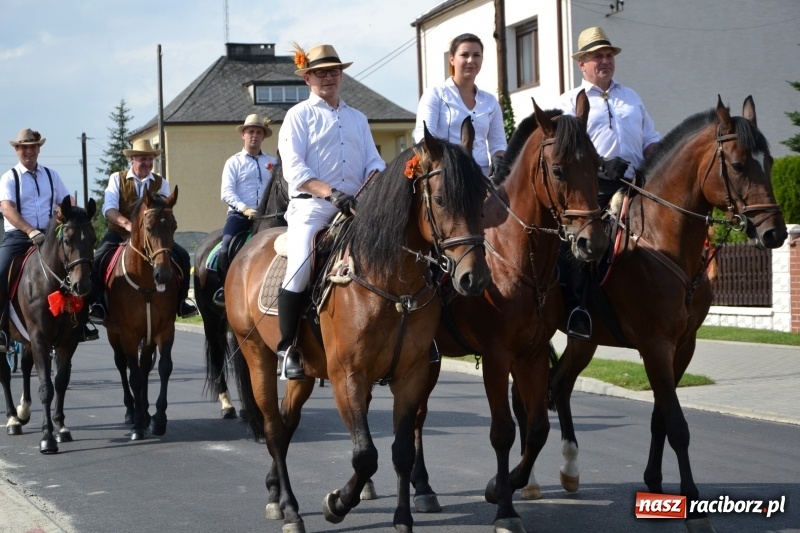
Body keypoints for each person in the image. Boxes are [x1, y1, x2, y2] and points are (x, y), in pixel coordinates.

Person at [276, 43, 385, 379]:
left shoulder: (358, 118)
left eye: (334, 71)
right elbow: (293, 169)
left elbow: (374, 161)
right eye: (320, 72)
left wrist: (373, 182)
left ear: (341, 75)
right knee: (302, 265)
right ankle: (289, 347)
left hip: (356, 207)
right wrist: (331, 194)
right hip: (313, 210)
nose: (328, 77)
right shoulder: (298, 116)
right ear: (307, 77)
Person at [557, 26, 661, 340]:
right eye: (597, 56)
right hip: (594, 188)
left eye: (608, 55)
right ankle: (576, 309)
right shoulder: (568, 102)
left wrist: (659, 160)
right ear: (582, 64)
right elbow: (567, 151)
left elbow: (651, 139)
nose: (605, 61)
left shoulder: (631, 96)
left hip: (638, 184)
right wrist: (601, 165)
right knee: (578, 244)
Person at [0, 128, 96, 352]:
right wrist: (30, 231)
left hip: (51, 236)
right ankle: (2, 329)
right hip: (19, 236)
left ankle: (82, 323)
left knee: (83, 266)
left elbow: (68, 201)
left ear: (38, 149)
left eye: (33, 147)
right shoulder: (9, 177)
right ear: (17, 150)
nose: (29, 151)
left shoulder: (52, 175)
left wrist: (67, 215)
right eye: (24, 147)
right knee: (0, 271)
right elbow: (7, 209)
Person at [89, 139, 197, 322]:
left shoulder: (161, 182)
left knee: (183, 257)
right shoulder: (117, 178)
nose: (147, 163)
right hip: (120, 232)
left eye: (150, 159)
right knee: (98, 258)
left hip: (153, 235)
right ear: (132, 160)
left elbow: (164, 210)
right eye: (142, 159)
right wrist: (126, 224)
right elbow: (109, 209)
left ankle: (181, 302)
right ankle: (98, 303)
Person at [413, 33, 507, 178]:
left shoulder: (491, 102)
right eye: (464, 55)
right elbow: (424, 137)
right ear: (452, 59)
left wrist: (498, 158)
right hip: (447, 176)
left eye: (476, 55)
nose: (471, 60)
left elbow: (499, 144)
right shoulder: (435, 94)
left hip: (482, 179)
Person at [212, 114, 278, 306]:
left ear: (263, 136)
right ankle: (224, 288)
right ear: (243, 134)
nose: (254, 136)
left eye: (258, 132)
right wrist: (245, 208)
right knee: (226, 246)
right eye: (251, 132)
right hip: (240, 215)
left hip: (268, 216)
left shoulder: (272, 163)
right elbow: (226, 192)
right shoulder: (233, 162)